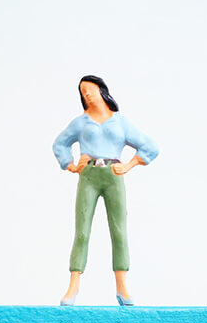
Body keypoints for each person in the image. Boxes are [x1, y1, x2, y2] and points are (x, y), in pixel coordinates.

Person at [52, 75, 159, 306]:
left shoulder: (120, 122)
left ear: (102, 90)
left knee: (119, 231)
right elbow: (59, 143)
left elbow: (150, 146)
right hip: (89, 176)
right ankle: (73, 287)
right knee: (82, 232)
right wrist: (71, 166)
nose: (87, 94)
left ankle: (122, 288)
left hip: (113, 175)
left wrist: (129, 165)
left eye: (90, 89)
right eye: (83, 92)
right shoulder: (81, 122)